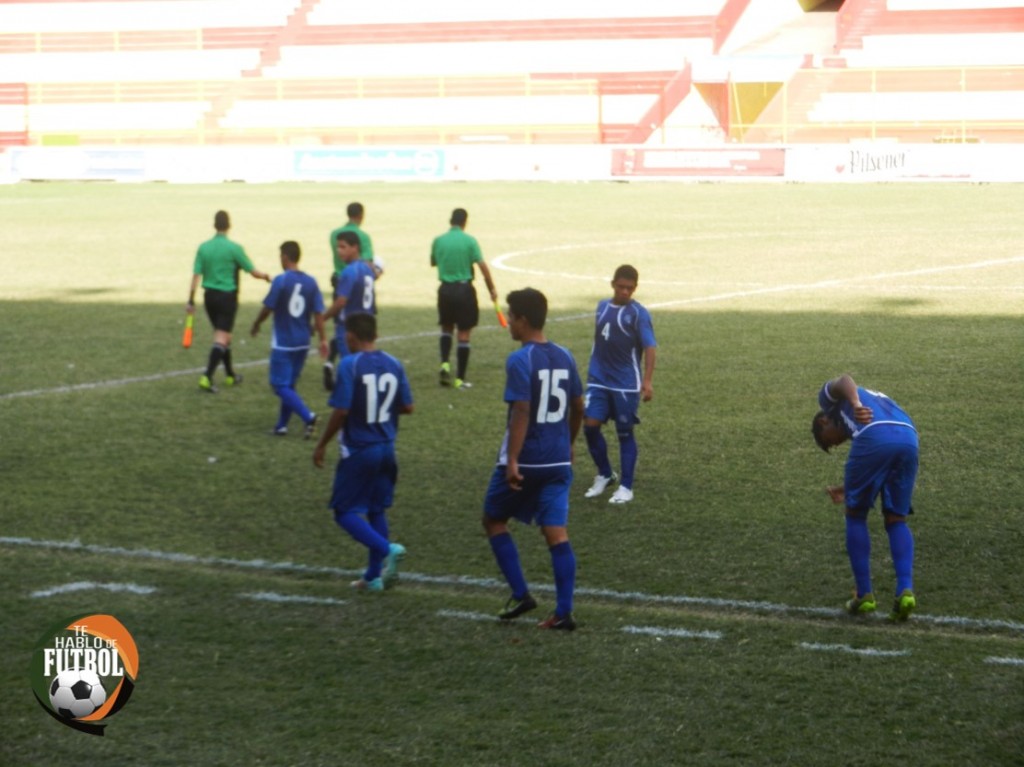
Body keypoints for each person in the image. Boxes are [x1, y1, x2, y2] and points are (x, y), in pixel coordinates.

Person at [482, 288, 584, 630]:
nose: (508, 322)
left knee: (494, 520)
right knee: (557, 534)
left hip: (527, 461)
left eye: (511, 316)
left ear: (523, 321)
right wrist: (569, 444)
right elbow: (578, 406)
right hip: (557, 461)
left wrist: (512, 460)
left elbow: (522, 411)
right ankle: (564, 611)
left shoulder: (520, 359)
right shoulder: (566, 355)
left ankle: (521, 593)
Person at [313, 313, 414, 592]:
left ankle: (387, 550)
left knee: (343, 511)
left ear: (350, 337)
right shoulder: (394, 363)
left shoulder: (350, 364)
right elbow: (408, 407)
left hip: (360, 449)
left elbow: (342, 410)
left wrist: (321, 444)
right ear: (376, 334)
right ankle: (373, 576)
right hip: (386, 448)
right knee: (376, 508)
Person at [812, 373, 919, 622]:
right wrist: (846, 487)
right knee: (896, 519)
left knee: (855, 515)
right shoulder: (872, 405)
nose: (837, 445)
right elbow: (877, 466)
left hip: (875, 436)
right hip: (909, 437)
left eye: (829, 443)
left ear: (824, 422)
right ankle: (905, 591)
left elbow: (844, 380)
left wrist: (857, 404)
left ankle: (864, 595)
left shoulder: (828, 402)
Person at [582, 264, 657, 505]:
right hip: (599, 379)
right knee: (590, 426)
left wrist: (647, 381)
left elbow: (650, 347)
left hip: (625, 383)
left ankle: (626, 487)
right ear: (613, 284)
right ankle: (605, 473)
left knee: (624, 433)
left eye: (630, 288)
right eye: (621, 287)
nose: (625, 292)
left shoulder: (639, 314)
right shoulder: (602, 307)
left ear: (635, 288)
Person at [250, 241, 328, 438]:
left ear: (285, 257)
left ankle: (308, 417)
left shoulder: (281, 281)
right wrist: (323, 339)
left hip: (284, 343)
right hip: (303, 342)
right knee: (289, 385)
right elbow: (319, 313)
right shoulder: (311, 282)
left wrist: (257, 323)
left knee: (279, 385)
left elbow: (268, 307)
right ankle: (281, 426)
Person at [187, 210, 270, 393]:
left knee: (224, 336)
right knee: (222, 337)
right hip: (227, 298)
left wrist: (191, 300)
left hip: (209, 297)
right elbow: (252, 271)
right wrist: (266, 277)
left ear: (214, 225)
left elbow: (196, 275)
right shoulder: (234, 248)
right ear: (229, 225)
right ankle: (207, 376)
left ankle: (230, 375)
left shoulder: (204, 247)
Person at [430, 207, 498, 390]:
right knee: (464, 334)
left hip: (444, 290)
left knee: (446, 328)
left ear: (450, 220)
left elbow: (433, 262)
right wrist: (492, 289)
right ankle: (460, 379)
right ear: (465, 222)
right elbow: (483, 266)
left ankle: (444, 364)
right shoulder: (470, 241)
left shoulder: (438, 240)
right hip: (464, 290)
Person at [325, 202, 381, 389]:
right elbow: (371, 264)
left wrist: (321, 319)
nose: (339, 250)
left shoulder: (334, 234)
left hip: (347, 299)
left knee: (349, 365)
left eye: (343, 247)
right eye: (339, 247)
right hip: (365, 312)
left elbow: (341, 302)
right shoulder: (366, 266)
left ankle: (349, 405)